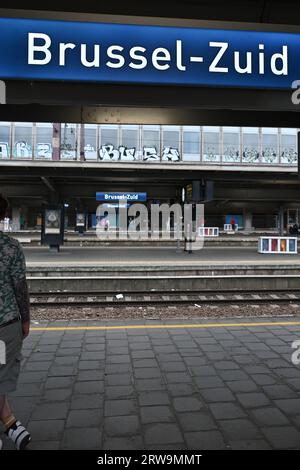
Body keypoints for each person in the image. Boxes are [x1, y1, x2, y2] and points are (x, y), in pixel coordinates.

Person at [0, 195, 31, 450]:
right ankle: (11, 425)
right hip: (3, 328)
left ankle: (11, 425)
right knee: (0, 376)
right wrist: (26, 320)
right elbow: (20, 287)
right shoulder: (10, 247)